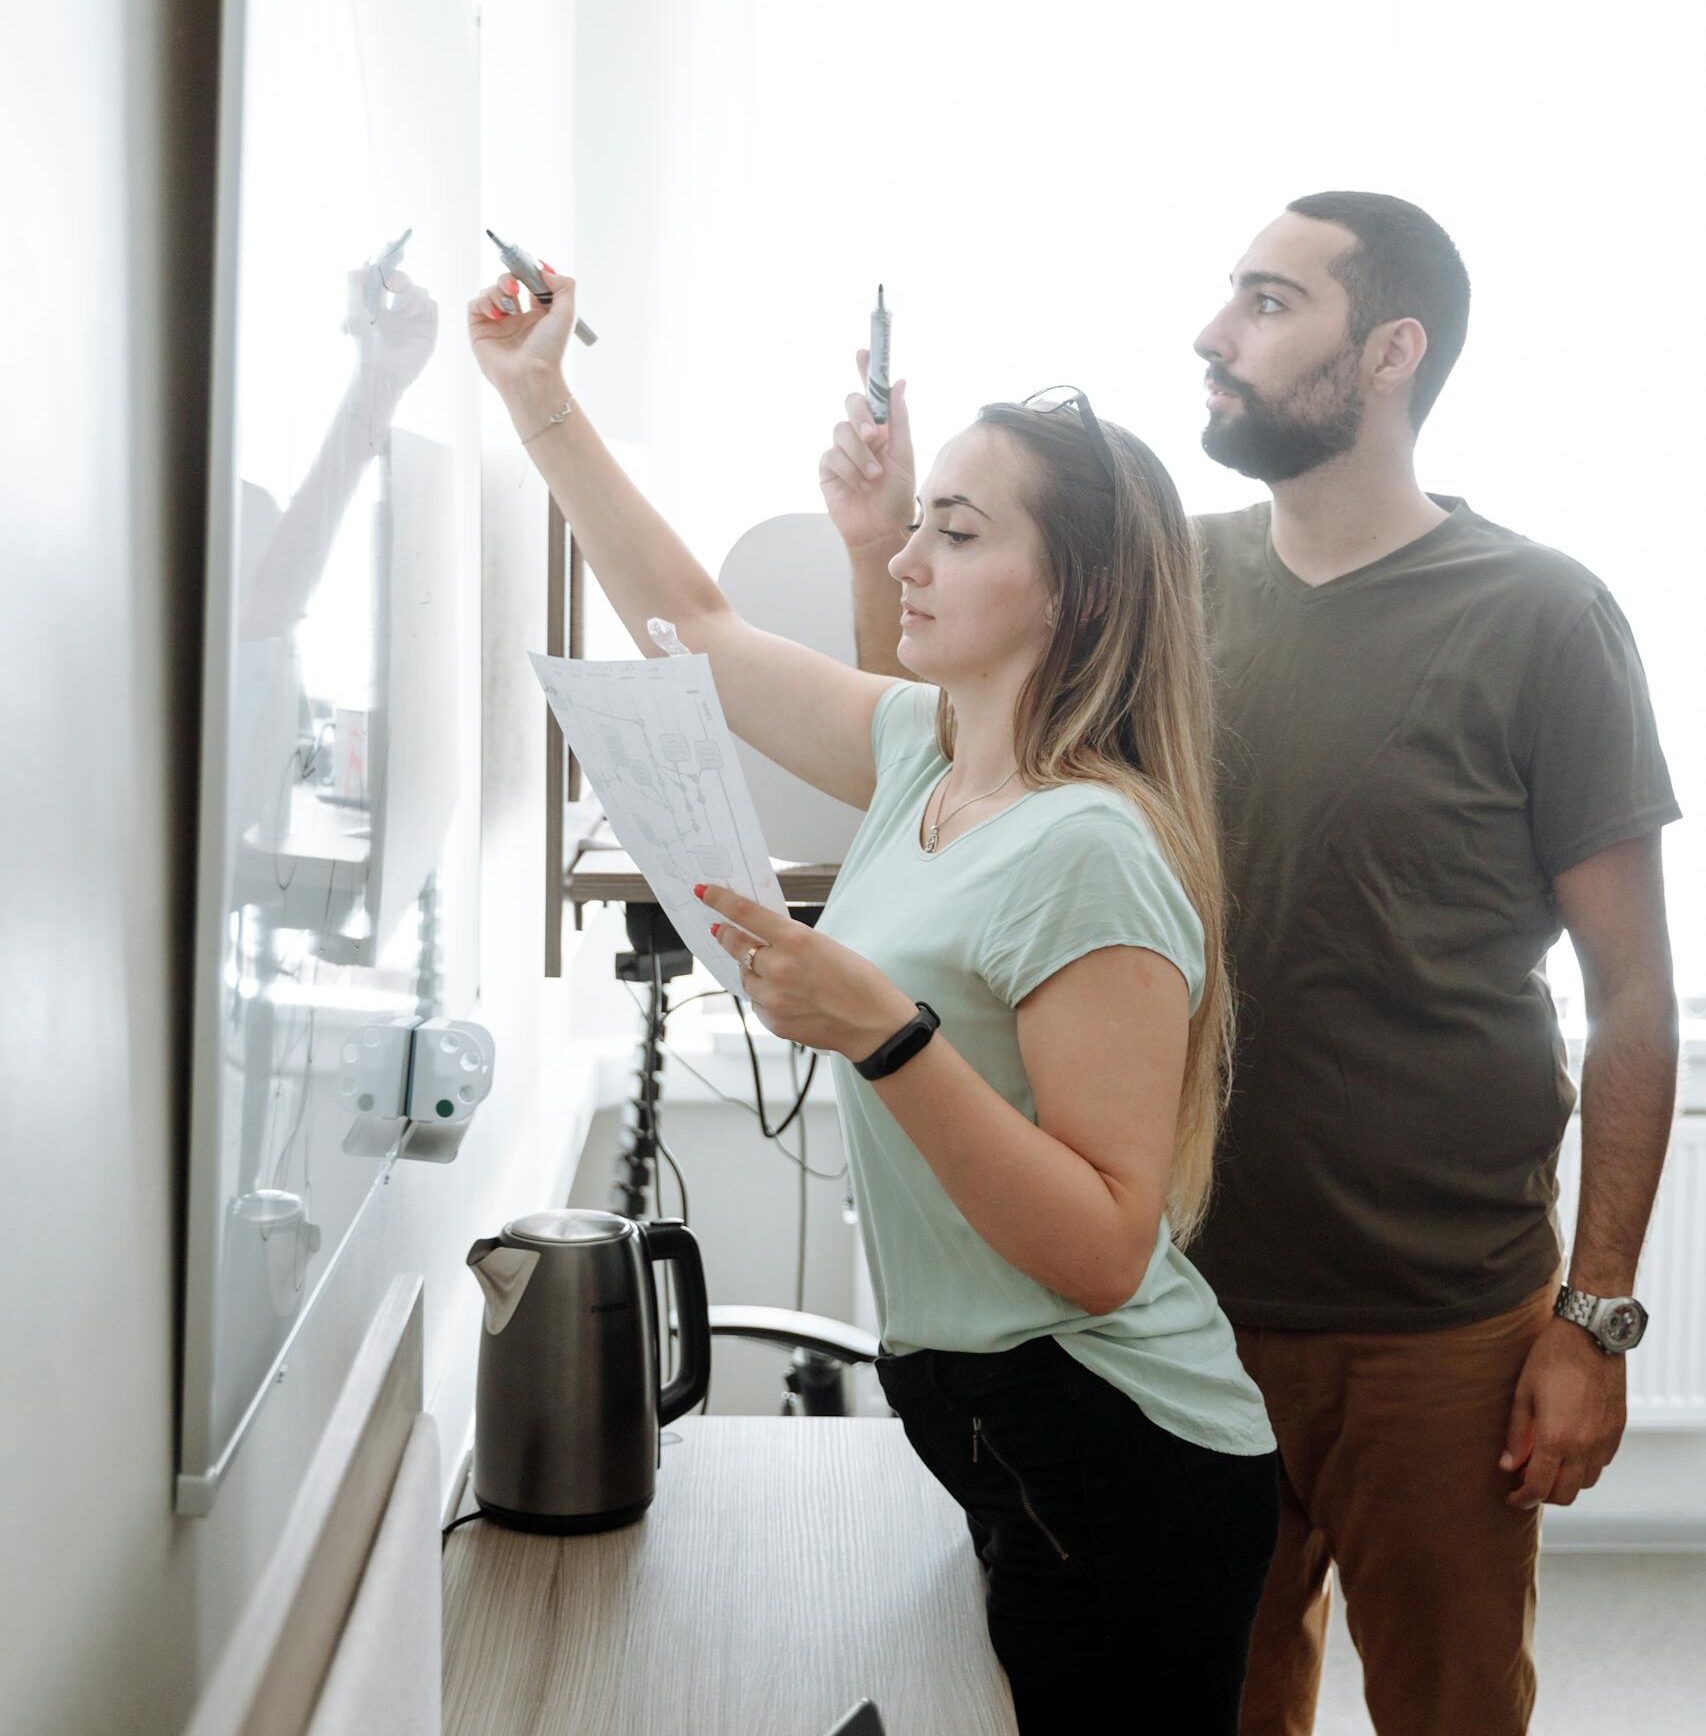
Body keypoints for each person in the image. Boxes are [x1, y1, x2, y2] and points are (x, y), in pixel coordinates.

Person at [832, 192, 1681, 1736]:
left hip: (1439, 1325)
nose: (1212, 334)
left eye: (1268, 301)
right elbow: (931, 759)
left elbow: (1633, 995)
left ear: (1388, 352)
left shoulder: (1542, 618)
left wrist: (1595, 1316)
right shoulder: (1155, 587)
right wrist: (878, 539)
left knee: (1452, 1712)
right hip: (1165, 1317)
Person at [469, 266, 1279, 1732]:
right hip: (981, 1410)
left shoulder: (1086, 848)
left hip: (1111, 1439)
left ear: (1073, 587)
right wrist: (540, 403)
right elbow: (696, 633)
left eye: (954, 534)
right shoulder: (929, 750)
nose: (906, 559)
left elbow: (1104, 1248)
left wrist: (880, 1032)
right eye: (916, 523)